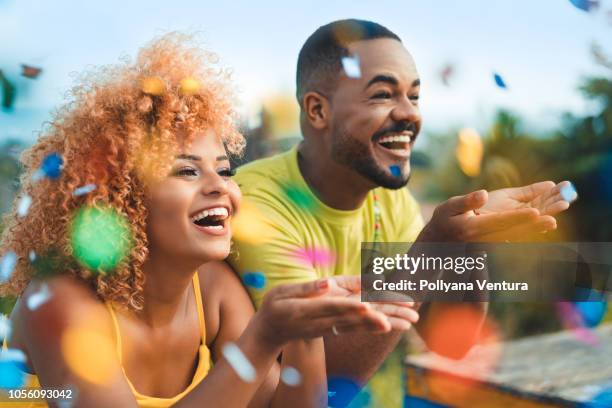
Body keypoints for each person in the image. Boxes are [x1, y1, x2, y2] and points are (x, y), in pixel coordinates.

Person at [0, 33, 417, 407]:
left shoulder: (214, 290)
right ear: (119, 198)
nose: (221, 187)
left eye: (224, 169)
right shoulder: (58, 303)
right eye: (186, 170)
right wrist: (263, 338)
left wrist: (305, 332)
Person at [226, 18, 573, 394]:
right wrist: (434, 245)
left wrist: (469, 236)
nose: (410, 114)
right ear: (317, 111)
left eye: (415, 96)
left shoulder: (388, 197)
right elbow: (321, 382)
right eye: (383, 95)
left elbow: (452, 342)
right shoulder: (258, 203)